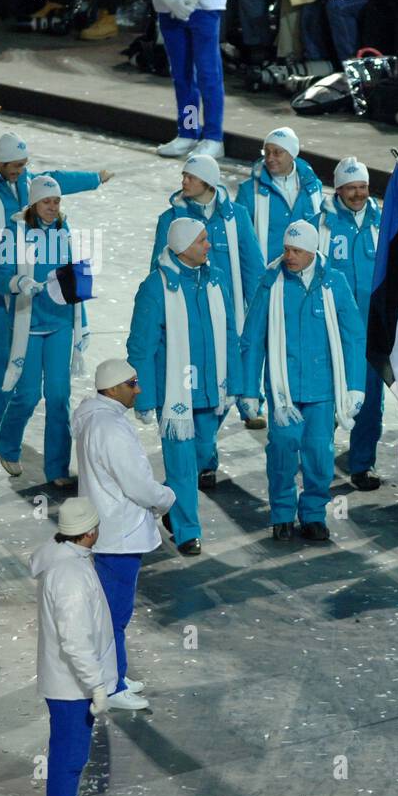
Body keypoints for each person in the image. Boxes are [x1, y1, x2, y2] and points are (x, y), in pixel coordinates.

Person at [0, 132, 108, 447]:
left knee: (25, 362)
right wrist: (2, 281)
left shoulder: (28, 181)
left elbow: (53, 181)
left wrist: (94, 179)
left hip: (33, 291)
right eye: (15, 166)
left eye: (24, 164)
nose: (21, 170)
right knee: (3, 355)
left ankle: (5, 409)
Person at [240, 221, 366, 543]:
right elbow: (253, 339)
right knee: (282, 449)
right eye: (286, 249)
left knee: (319, 454)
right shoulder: (270, 282)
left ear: (312, 252)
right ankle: (282, 513)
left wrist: (355, 386)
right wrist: (249, 391)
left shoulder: (333, 283)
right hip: (284, 389)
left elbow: (353, 337)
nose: (289, 256)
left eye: (296, 251)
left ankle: (312, 514)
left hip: (322, 389)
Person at [128, 218, 241, 556]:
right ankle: (187, 530)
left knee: (203, 455)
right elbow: (141, 347)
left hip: (210, 389)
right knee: (181, 465)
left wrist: (234, 380)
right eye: (202, 241)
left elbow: (230, 334)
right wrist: (143, 395)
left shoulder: (216, 278)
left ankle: (166, 501)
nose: (210, 245)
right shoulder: (155, 287)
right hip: (175, 393)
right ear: (182, 247)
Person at [71, 358, 176, 712]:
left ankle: (114, 673)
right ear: (113, 389)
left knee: (109, 611)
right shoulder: (111, 429)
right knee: (114, 614)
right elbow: (136, 485)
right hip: (119, 532)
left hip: (106, 527)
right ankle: (111, 686)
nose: (139, 389)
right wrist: (166, 498)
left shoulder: (93, 418)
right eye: (132, 383)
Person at [0, 176, 89, 485]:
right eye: (47, 201)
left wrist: (83, 321)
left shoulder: (63, 230)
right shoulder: (14, 234)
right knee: (28, 395)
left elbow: (76, 275)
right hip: (28, 326)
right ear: (33, 203)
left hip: (59, 324)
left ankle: (57, 468)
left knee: (58, 397)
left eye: (56, 201)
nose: (53, 207)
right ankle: (7, 444)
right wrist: (19, 283)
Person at [153, 152, 266, 432]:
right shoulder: (171, 218)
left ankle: (246, 404)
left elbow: (252, 265)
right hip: (190, 310)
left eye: (190, 176)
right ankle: (201, 432)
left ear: (208, 182)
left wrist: (257, 309)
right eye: (184, 175)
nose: (184, 181)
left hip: (229, 311)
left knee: (234, 361)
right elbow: (158, 268)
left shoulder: (236, 216)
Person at [34, 497, 118, 796]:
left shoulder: (64, 558)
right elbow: (75, 640)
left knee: (68, 757)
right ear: (87, 533)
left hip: (68, 681)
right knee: (69, 761)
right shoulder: (70, 576)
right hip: (72, 686)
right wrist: (96, 686)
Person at [319, 156, 386, 491]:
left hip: (372, 330)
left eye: (362, 187)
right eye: (351, 188)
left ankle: (362, 464)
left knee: (371, 400)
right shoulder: (322, 224)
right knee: (325, 398)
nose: (358, 194)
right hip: (332, 329)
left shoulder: (382, 222)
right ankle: (317, 460)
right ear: (338, 189)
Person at [139, 0, 234, 158]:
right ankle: (188, 132)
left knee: (208, 75)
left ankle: (213, 137)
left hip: (204, 6)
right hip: (169, 8)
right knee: (182, 76)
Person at [235, 127, 326, 268]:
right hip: (267, 273)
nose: (270, 158)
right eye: (267, 153)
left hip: (305, 273)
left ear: (292, 154)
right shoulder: (248, 191)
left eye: (277, 153)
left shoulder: (313, 188)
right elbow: (240, 239)